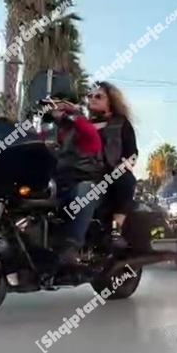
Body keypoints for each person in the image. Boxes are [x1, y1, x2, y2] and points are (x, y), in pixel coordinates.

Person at [44, 93, 106, 266]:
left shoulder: (83, 129)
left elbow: (92, 136)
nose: (53, 108)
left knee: (85, 190)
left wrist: (72, 114)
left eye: (57, 104)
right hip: (57, 186)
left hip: (85, 183)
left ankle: (72, 247)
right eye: (51, 105)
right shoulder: (52, 132)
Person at [88, 81, 137, 249]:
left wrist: (123, 164)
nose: (92, 99)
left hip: (110, 172)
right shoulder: (82, 124)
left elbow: (132, 153)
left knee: (125, 181)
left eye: (98, 96)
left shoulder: (120, 123)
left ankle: (115, 231)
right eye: (90, 96)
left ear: (111, 101)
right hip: (85, 170)